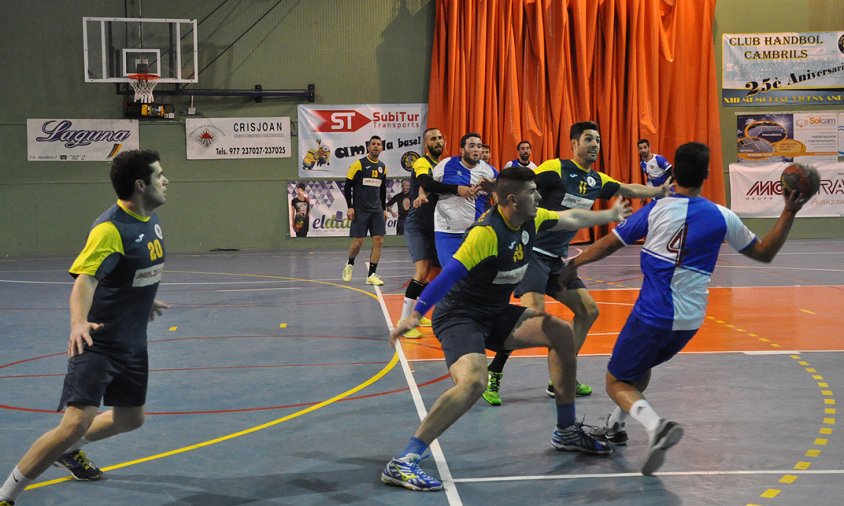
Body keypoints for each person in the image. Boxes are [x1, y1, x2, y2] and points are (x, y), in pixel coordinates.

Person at [558, 141, 810, 476]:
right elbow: (764, 252)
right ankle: (617, 425)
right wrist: (789, 212)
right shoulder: (722, 216)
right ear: (707, 175)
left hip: (653, 315)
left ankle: (656, 426)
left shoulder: (656, 209)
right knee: (638, 367)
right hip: (690, 321)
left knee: (615, 381)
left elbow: (606, 244)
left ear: (673, 172)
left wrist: (575, 263)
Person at [381, 166, 632, 492]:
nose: (539, 197)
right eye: (533, 192)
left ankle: (566, 430)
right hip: (461, 316)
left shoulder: (532, 219)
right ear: (513, 199)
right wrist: (415, 314)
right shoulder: (485, 234)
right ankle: (404, 460)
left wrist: (609, 214)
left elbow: (571, 219)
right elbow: (447, 277)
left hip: (495, 312)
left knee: (561, 332)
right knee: (473, 382)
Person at [0, 150, 170, 506]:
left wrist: (142, 299)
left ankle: (69, 453)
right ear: (141, 185)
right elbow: (85, 281)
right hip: (99, 342)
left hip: (133, 342)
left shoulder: (149, 220)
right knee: (74, 424)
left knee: (130, 420)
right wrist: (78, 322)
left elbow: (129, 272)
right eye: (159, 175)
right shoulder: (110, 229)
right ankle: (7, 495)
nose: (165, 181)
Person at [482, 122, 667, 406]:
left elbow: (628, 187)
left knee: (588, 311)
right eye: (589, 139)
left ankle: (561, 377)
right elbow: (519, 188)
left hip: (557, 261)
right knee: (531, 317)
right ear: (574, 143)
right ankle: (494, 373)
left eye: (598, 140)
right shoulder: (555, 168)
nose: (595, 144)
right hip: (530, 254)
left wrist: (659, 192)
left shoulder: (596, 181)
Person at [398, 128, 475, 339]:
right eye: (433, 138)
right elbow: (428, 182)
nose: (438, 141)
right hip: (418, 225)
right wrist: (456, 188)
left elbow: (431, 186)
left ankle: (418, 312)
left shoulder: (445, 165)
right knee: (422, 269)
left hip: (437, 226)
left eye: (440, 137)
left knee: (436, 274)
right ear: (426, 144)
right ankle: (405, 322)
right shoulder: (422, 162)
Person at [432, 132, 497, 267]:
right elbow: (428, 185)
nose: (476, 149)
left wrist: (491, 187)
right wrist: (421, 195)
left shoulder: (489, 171)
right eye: (472, 146)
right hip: (447, 231)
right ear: (462, 150)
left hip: (475, 232)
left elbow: (503, 197)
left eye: (479, 146)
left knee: (473, 278)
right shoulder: (446, 164)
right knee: (451, 275)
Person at [341, 135, 388, 286]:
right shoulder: (359, 164)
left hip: (377, 210)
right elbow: (348, 186)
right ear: (368, 147)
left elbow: (382, 190)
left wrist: (384, 209)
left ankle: (371, 275)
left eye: (378, 144)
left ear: (381, 148)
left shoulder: (383, 167)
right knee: (358, 242)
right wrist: (350, 206)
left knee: (379, 241)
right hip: (361, 210)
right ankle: (350, 264)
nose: (376, 146)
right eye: (373, 144)